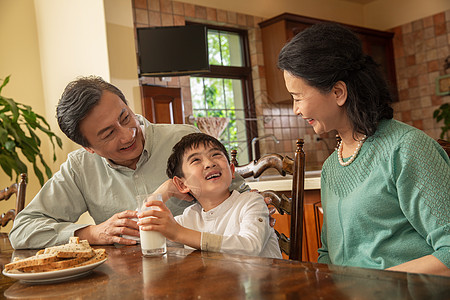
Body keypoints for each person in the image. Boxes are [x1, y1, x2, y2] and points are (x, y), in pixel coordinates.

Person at [278, 22, 450, 276]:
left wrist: (373, 284)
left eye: (298, 97)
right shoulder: (331, 167)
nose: (295, 110)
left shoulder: (406, 148)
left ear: (338, 92)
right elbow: (329, 255)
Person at [9, 76, 248, 249]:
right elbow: (23, 230)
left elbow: (241, 196)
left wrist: (259, 202)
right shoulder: (80, 167)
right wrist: (92, 232)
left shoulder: (185, 140)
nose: (127, 135)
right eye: (108, 134)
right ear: (89, 148)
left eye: (125, 117)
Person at [137, 133, 282, 258]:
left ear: (232, 170)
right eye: (196, 160)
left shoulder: (251, 202)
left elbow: (250, 247)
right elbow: (134, 234)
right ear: (182, 185)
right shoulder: (189, 218)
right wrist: (164, 191)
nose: (209, 163)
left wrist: (178, 233)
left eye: (216, 155)